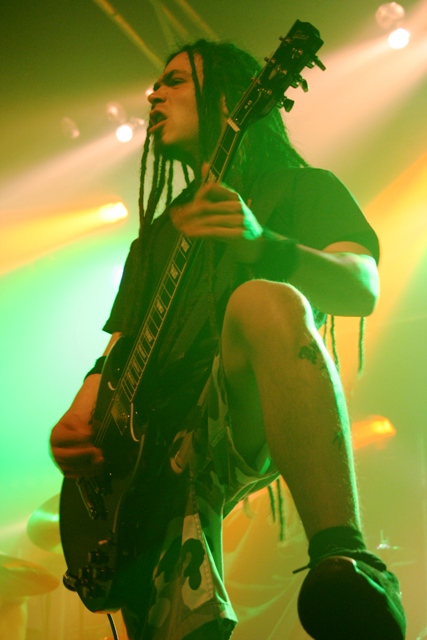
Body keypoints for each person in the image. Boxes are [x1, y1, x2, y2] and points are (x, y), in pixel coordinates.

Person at [50, 39, 406, 640]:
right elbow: (122, 343)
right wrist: (84, 412)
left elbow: (361, 289)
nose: (154, 94)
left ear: (227, 98)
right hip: (143, 455)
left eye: (175, 82)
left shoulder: (302, 187)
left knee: (262, 300)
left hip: (235, 398)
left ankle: (344, 559)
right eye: (155, 85)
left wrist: (264, 245)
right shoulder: (156, 235)